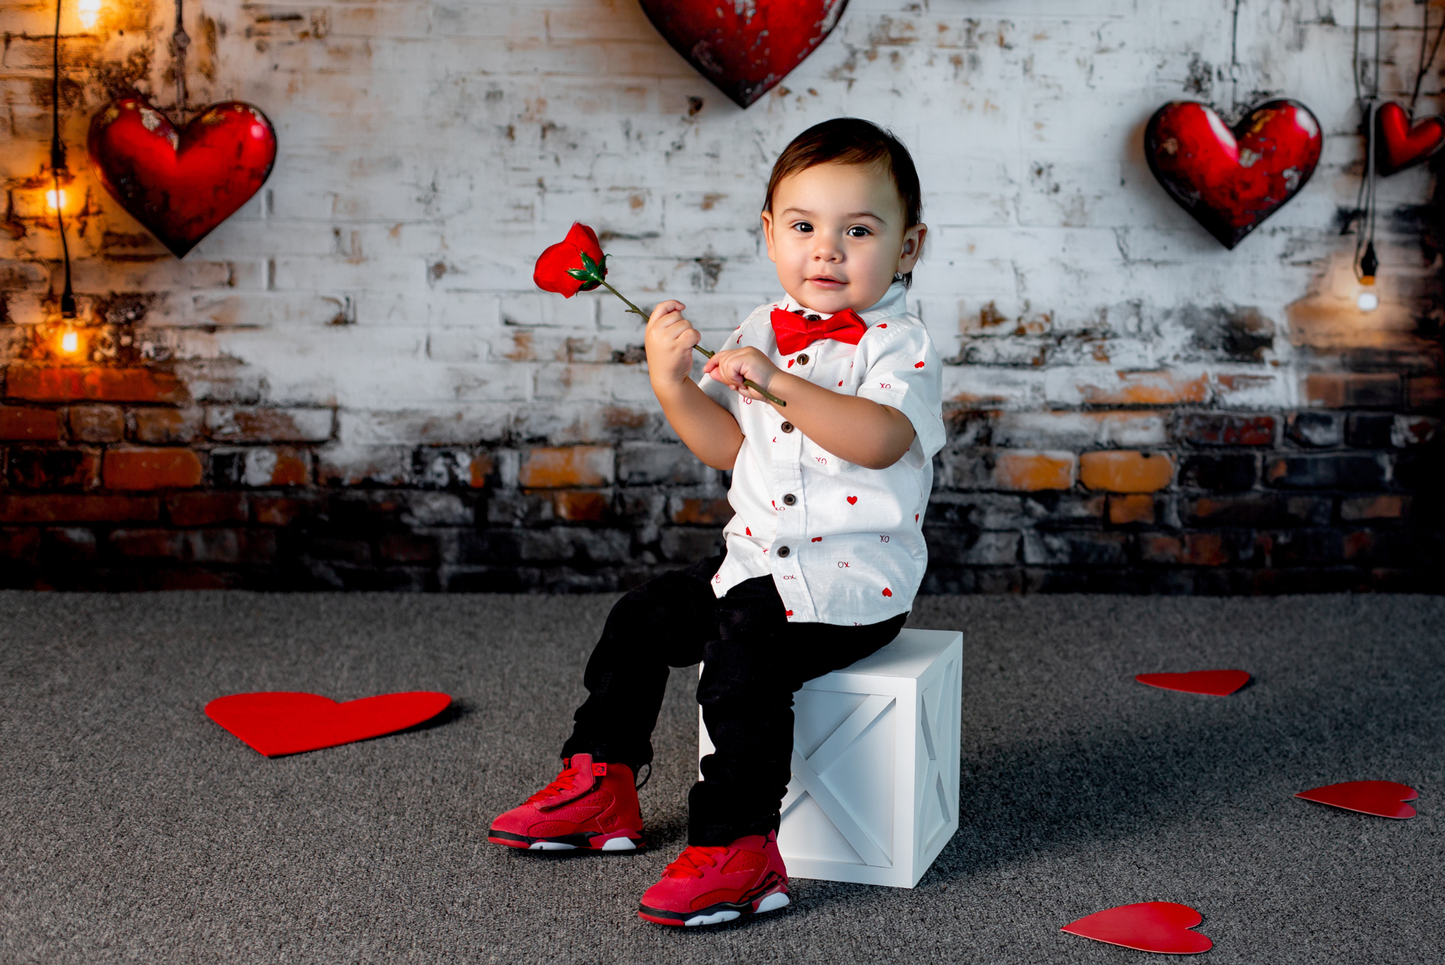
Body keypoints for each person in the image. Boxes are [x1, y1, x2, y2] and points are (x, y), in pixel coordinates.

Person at [488, 117, 945, 927]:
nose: (826, 250)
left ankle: (739, 847)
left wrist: (781, 386)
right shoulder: (761, 327)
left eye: (858, 230)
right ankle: (603, 782)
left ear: (907, 247)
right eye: (803, 227)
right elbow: (733, 449)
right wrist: (672, 385)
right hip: (753, 565)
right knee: (640, 617)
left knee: (740, 654)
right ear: (770, 234)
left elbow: (878, 440)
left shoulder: (898, 346)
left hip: (850, 588)